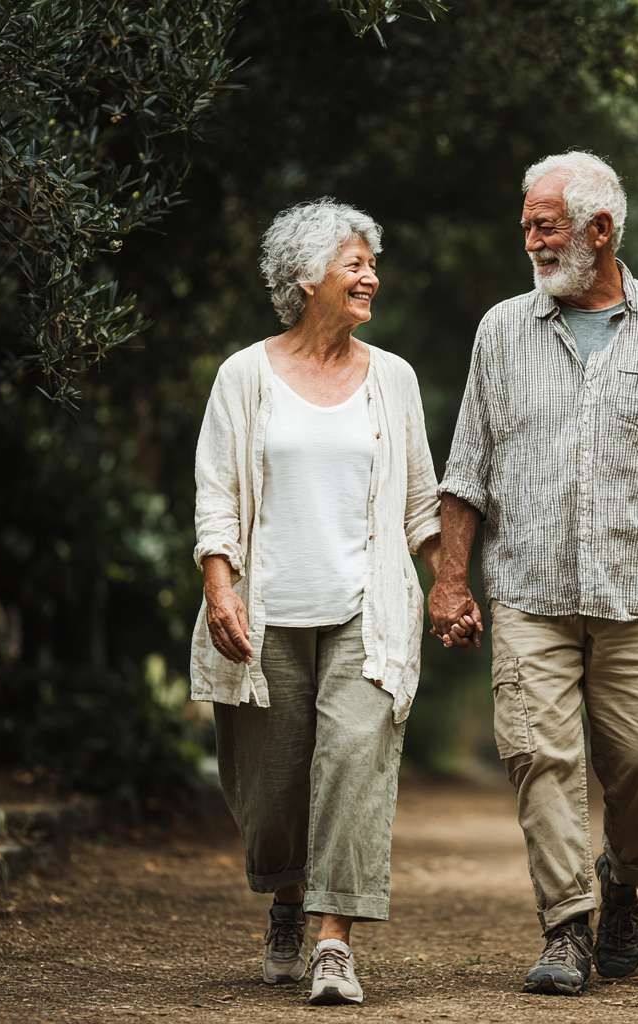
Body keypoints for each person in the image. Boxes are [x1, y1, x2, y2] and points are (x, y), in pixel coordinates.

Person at [429, 152, 638, 996]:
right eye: (527, 223)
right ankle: (566, 926)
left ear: (600, 231)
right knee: (540, 755)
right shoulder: (501, 330)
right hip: (530, 590)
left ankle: (625, 879)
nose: (528, 239)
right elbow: (467, 471)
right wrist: (450, 581)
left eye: (545, 224)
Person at [190, 199, 460, 1006]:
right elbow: (216, 494)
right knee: (271, 791)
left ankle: (333, 941)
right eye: (356, 264)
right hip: (266, 616)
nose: (371, 276)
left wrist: (449, 585)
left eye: (373, 264)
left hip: (364, 614)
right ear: (307, 279)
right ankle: (284, 900)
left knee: (354, 764)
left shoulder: (394, 379)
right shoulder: (244, 375)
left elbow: (421, 504)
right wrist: (218, 584)